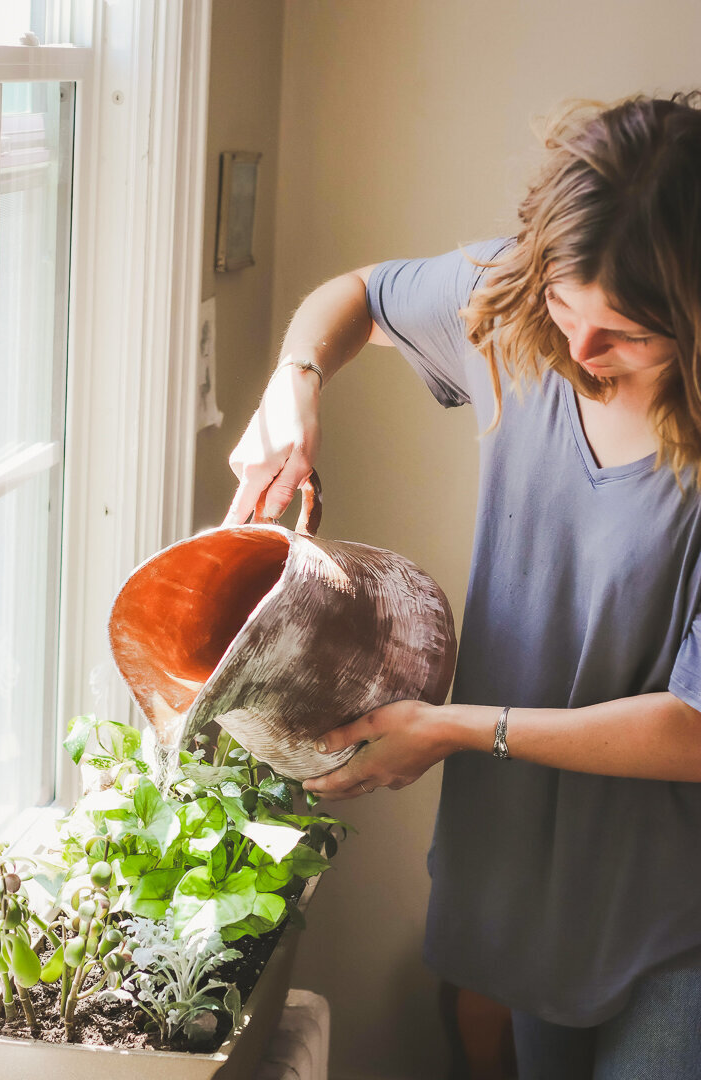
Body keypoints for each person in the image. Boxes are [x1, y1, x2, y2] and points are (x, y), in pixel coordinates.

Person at [222, 92, 701, 1079]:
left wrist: (451, 730)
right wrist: (297, 378)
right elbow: (357, 295)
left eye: (626, 336)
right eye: (569, 311)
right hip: (525, 887)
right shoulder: (516, 304)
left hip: (672, 911)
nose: (580, 351)